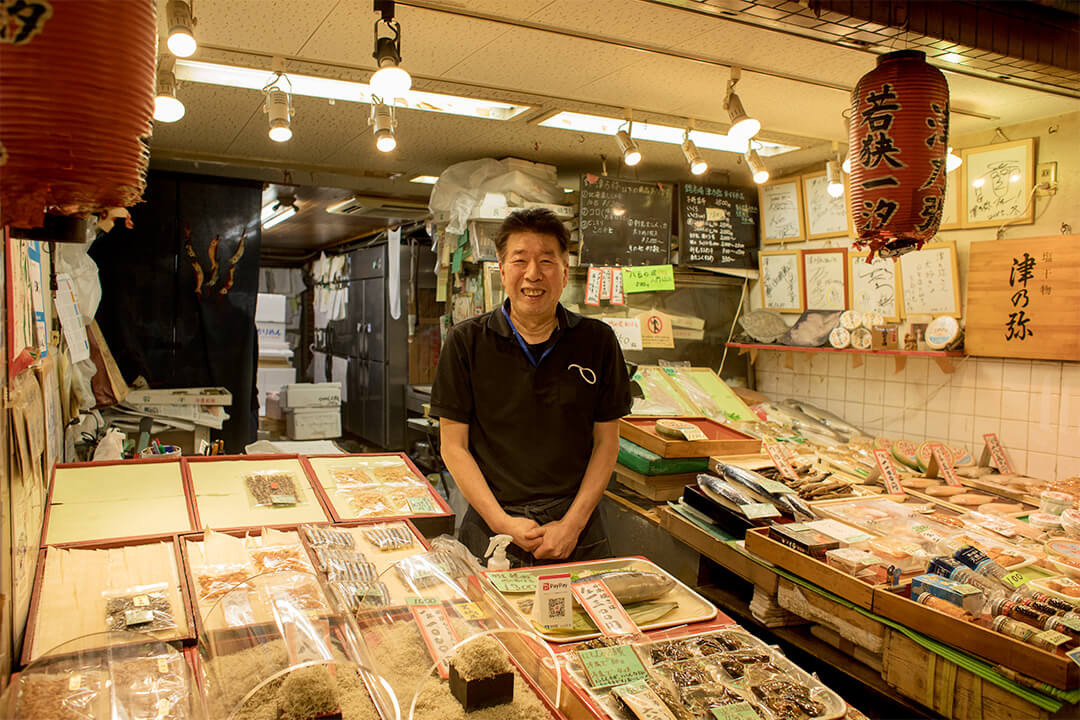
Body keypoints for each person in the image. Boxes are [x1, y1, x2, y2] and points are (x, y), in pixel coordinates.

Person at [429, 208, 632, 566]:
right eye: (520, 261)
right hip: (492, 524)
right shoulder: (466, 342)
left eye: (546, 261)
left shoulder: (597, 341)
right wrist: (501, 522)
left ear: (565, 271)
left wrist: (571, 525)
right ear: (503, 270)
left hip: (577, 529)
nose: (533, 274)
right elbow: (453, 446)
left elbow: (607, 442)